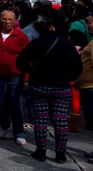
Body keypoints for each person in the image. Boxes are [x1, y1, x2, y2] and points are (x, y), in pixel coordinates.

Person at [16, 17, 83, 164]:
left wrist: (32, 71)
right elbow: (78, 67)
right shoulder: (66, 44)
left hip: (39, 85)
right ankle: (60, 154)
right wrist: (68, 76)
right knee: (60, 120)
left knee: (41, 119)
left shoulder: (35, 43)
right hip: (61, 86)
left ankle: (41, 151)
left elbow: (20, 62)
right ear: (52, 27)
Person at [0, 9, 30, 146]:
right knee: (1, 102)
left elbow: (27, 59)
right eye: (4, 19)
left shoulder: (21, 36)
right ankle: (3, 125)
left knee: (16, 103)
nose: (7, 22)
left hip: (15, 76)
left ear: (14, 21)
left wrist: (27, 78)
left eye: (10, 19)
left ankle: (19, 132)